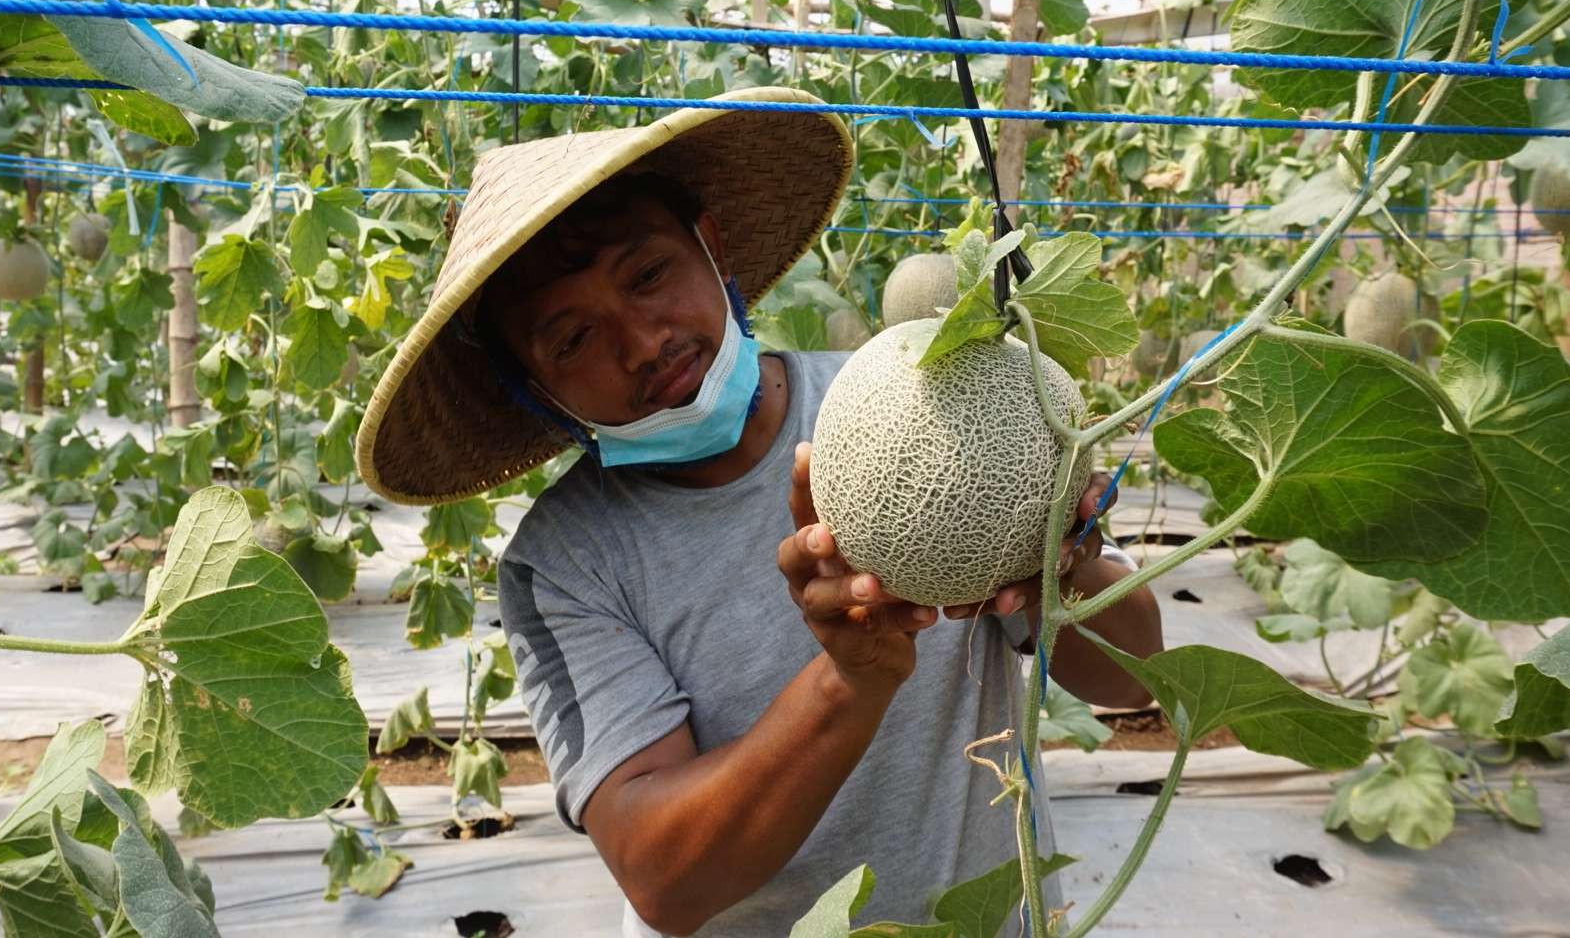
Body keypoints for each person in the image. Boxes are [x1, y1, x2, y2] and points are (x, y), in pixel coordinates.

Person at [357, 88, 1164, 936]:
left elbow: (1138, 677)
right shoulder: (564, 561)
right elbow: (665, 880)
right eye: (573, 339)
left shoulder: (922, 393)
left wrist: (1058, 571)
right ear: (537, 392)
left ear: (710, 248)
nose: (641, 341)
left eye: (648, 275)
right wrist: (851, 676)